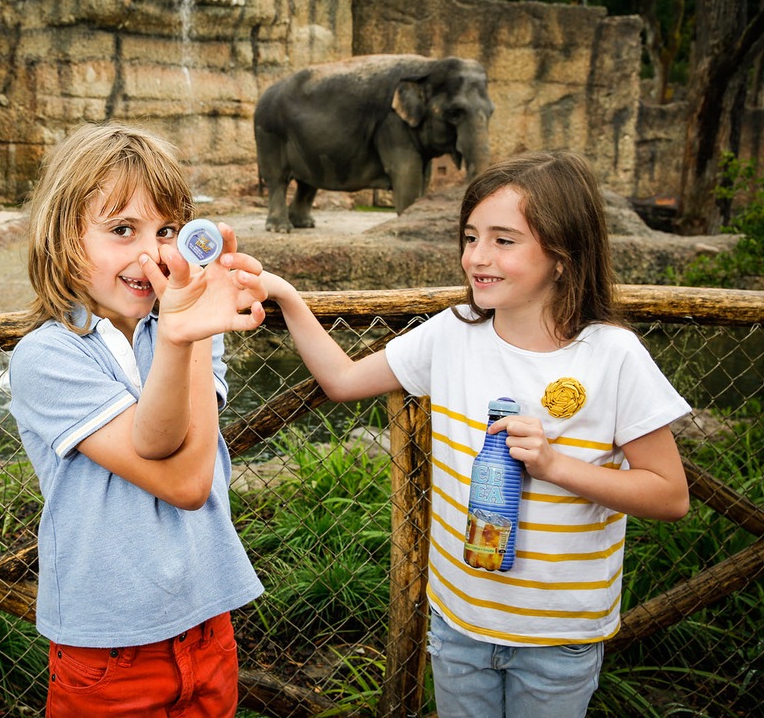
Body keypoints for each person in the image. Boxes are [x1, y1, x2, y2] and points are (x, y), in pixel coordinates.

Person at [260, 150, 691, 717]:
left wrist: (557, 467)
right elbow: (342, 380)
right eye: (470, 236)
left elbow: (670, 494)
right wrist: (287, 296)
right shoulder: (452, 334)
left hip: (558, 636)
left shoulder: (613, 355)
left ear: (562, 255)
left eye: (503, 240)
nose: (476, 258)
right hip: (459, 620)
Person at [8, 122, 267, 717]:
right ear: (62, 238)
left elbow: (177, 443)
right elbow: (180, 478)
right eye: (122, 229)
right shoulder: (48, 356)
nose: (151, 255)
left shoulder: (184, 328)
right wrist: (187, 335)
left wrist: (187, 328)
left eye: (168, 231)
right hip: (108, 651)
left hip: (208, 622)